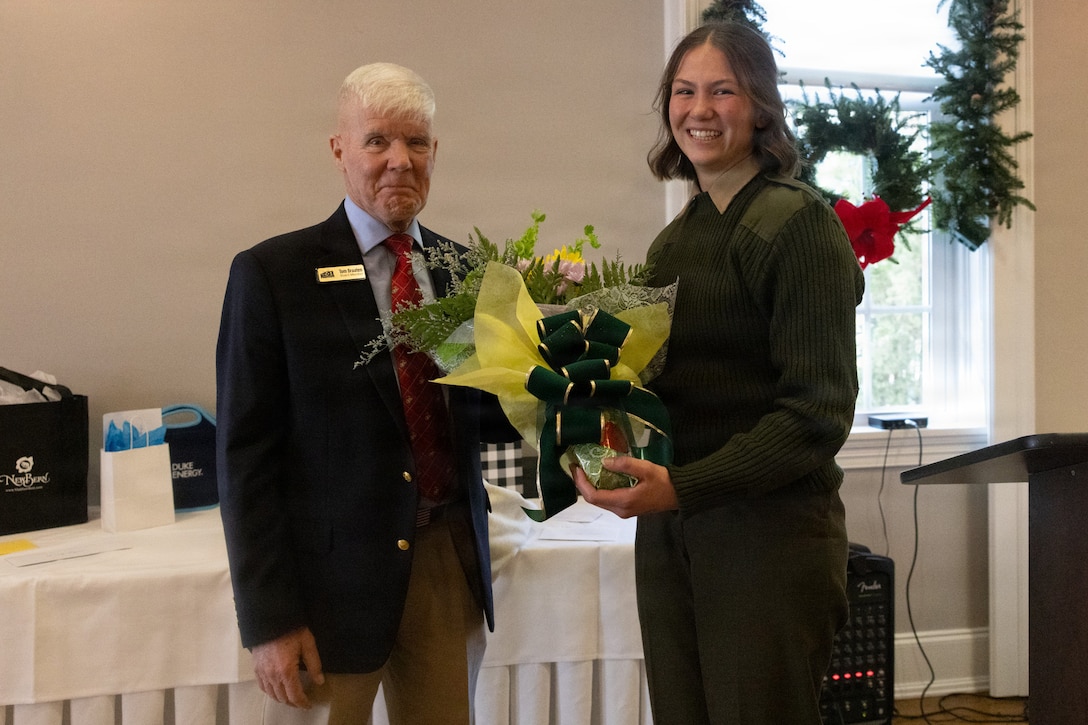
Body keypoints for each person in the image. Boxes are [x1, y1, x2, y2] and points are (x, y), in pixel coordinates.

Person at [572, 21, 865, 725]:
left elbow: (815, 415)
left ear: (761, 106)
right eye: (683, 91)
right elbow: (657, 383)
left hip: (768, 538)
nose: (699, 109)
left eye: (722, 90)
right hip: (676, 532)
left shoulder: (800, 226)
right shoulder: (678, 239)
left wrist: (685, 486)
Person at [216, 62, 500, 725]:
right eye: (377, 141)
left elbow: (489, 418)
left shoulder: (468, 273)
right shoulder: (272, 275)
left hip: (442, 564)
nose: (399, 160)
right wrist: (270, 621)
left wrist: (561, 363)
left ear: (436, 152)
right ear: (340, 149)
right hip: (325, 591)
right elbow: (245, 458)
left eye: (418, 142)